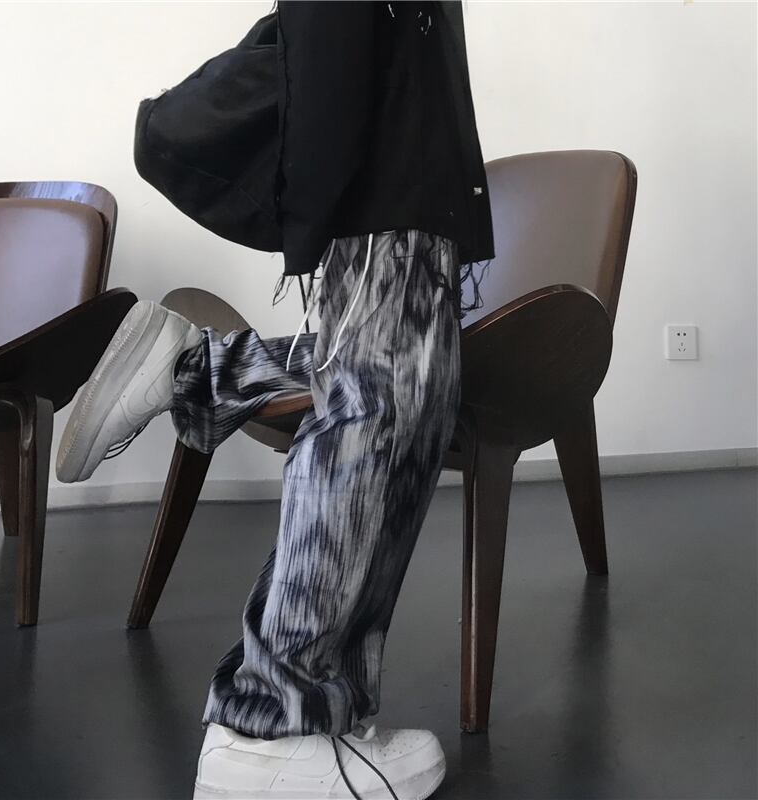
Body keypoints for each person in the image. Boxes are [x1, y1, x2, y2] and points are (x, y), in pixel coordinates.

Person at [57, 2, 495, 798]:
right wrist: (330, 203)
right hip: (394, 190)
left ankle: (194, 369)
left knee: (387, 387)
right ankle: (272, 725)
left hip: (401, 182)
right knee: (377, 410)